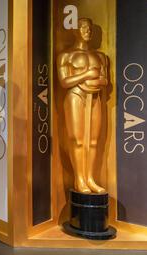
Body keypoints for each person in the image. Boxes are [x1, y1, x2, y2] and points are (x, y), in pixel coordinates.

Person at [57, 18, 108, 194]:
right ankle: (79, 179)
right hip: (75, 97)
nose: (88, 31)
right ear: (75, 31)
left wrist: (92, 81)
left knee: (93, 141)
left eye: (90, 28)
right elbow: (64, 82)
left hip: (95, 98)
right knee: (77, 140)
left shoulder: (100, 56)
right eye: (83, 27)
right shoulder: (66, 56)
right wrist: (87, 74)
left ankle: (90, 178)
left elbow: (104, 80)